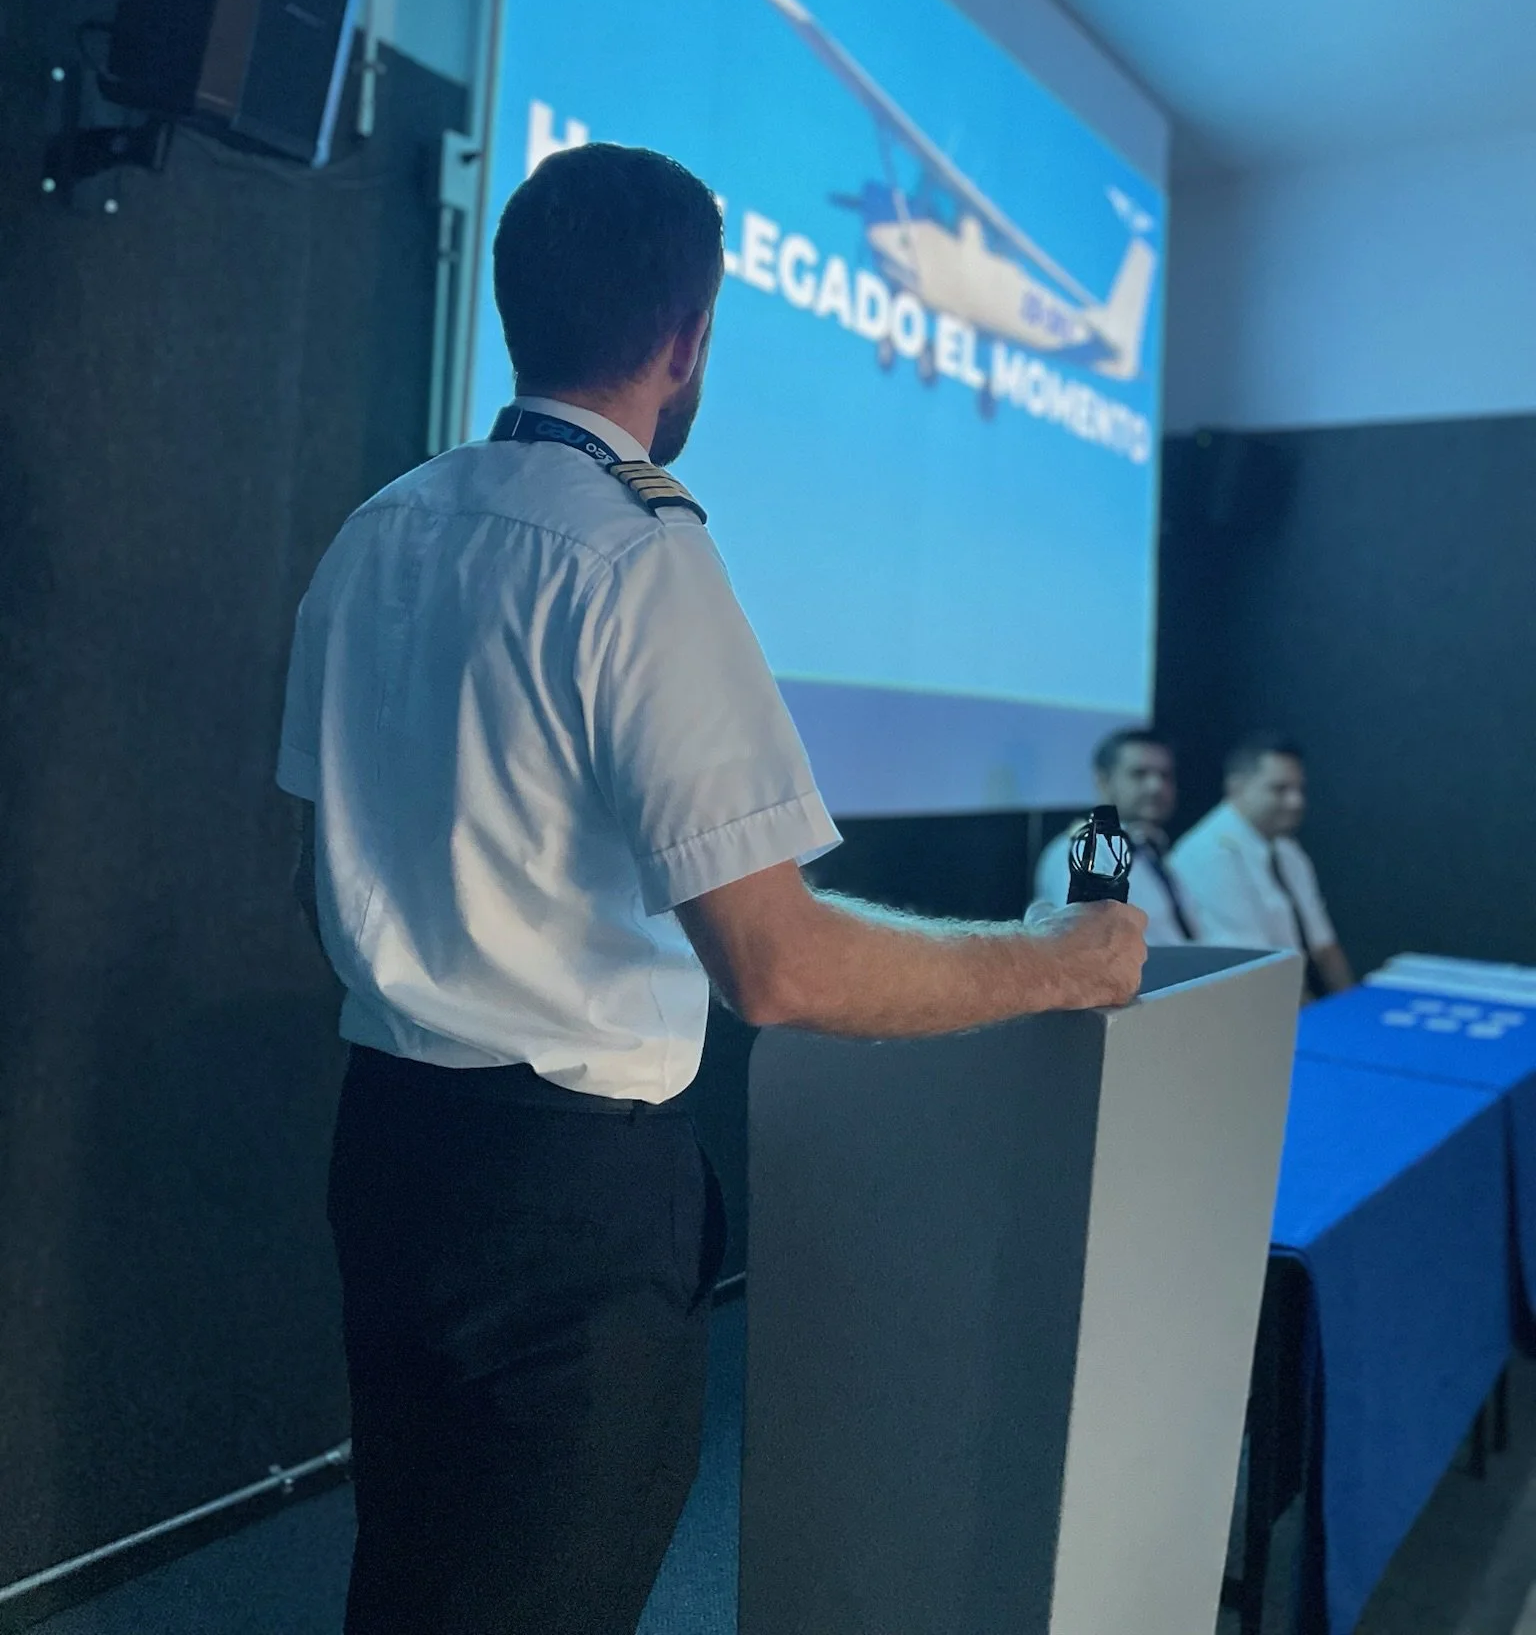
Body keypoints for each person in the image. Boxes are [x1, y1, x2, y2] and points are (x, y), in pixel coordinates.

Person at [276, 141, 1147, 1635]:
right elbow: (780, 967)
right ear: (689, 337)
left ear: (509, 305)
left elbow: (321, 873)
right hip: (562, 1213)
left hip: (390, 1156)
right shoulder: (639, 557)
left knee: (414, 1579)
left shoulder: (378, 533)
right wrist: (1066, 958)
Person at [1169, 733, 1351, 997]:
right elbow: (1256, 971)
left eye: (1299, 789)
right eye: (1280, 789)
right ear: (1236, 788)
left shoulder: (1287, 850)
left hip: (1292, 1000)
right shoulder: (1208, 854)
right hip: (1248, 1008)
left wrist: (1348, 1007)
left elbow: (1324, 947)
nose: (1296, 802)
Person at [1032, 728, 1201, 944]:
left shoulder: (1152, 849)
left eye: (1165, 776)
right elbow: (1091, 951)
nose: (1156, 787)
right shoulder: (1085, 852)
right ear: (1103, 782)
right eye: (1139, 774)